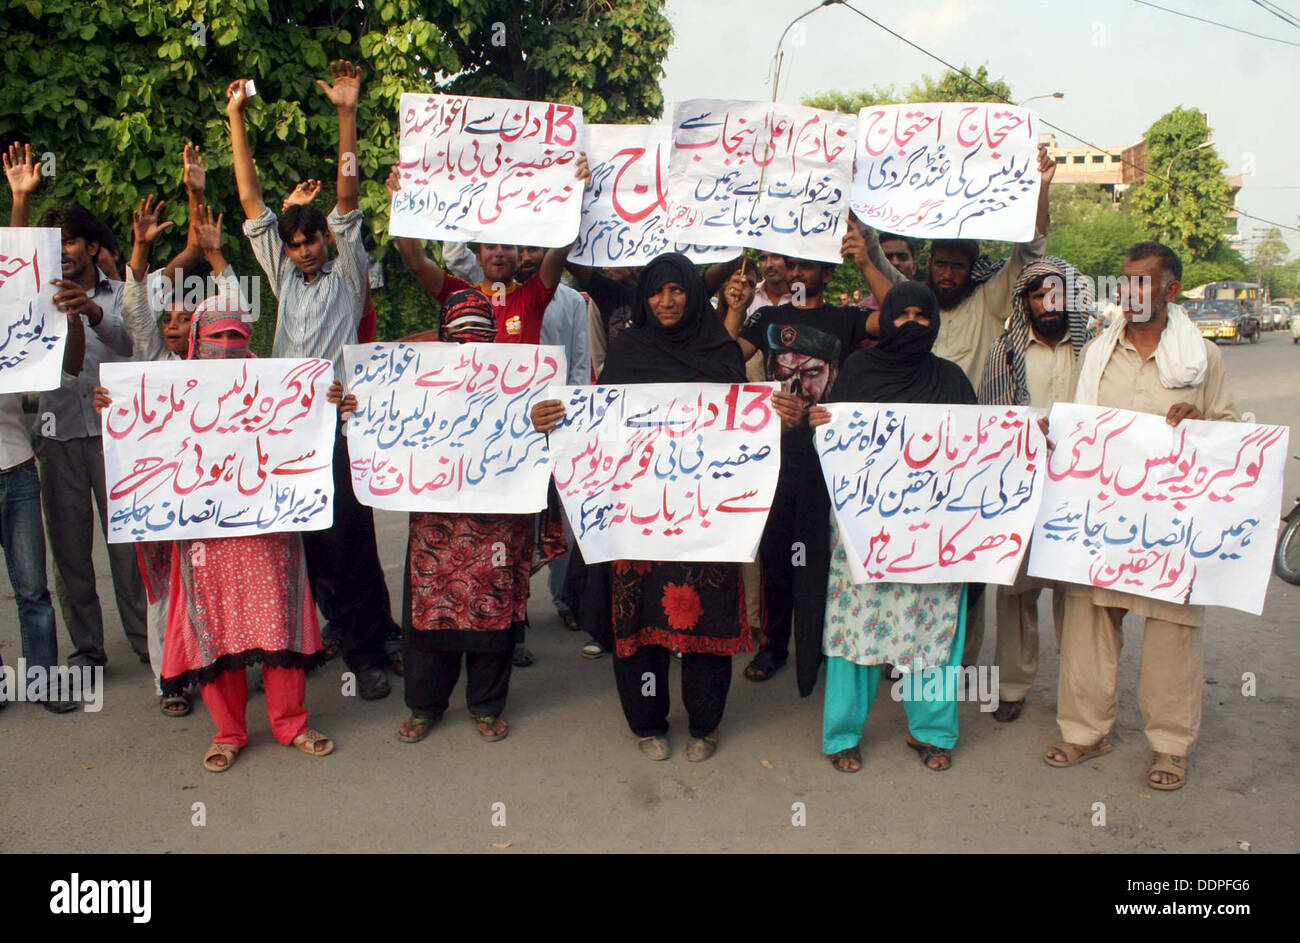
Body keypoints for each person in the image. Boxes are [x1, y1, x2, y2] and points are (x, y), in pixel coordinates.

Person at [532, 253, 784, 762]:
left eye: (677, 291)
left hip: (704, 521)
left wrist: (783, 415)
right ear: (644, 297)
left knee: (705, 626)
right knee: (640, 627)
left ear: (693, 294)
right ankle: (647, 723)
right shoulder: (627, 351)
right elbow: (598, 425)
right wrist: (553, 419)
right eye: (656, 292)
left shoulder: (720, 351)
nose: (666, 302)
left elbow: (743, 430)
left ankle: (704, 724)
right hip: (637, 520)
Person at [95, 292, 333, 772]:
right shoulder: (173, 389)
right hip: (205, 535)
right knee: (214, 630)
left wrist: (327, 401)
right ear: (197, 341)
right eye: (217, 336)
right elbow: (146, 433)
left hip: (267, 531)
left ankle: (291, 723)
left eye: (236, 336)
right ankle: (229, 731)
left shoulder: (276, 388)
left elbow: (306, 428)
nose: (226, 345)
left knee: (279, 623)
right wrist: (116, 408)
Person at [845, 143, 1058, 664]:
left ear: (971, 269)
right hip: (906, 458)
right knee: (909, 558)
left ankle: (953, 665)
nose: (945, 274)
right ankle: (906, 658)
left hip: (970, 455)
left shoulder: (990, 300)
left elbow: (1028, 253)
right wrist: (858, 195)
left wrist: (1042, 187)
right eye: (938, 263)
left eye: (956, 266)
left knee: (968, 565)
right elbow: (875, 262)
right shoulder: (915, 302)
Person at [227, 63, 398, 701]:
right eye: (293, 243)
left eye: (309, 239)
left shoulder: (347, 272)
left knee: (347, 537)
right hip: (286, 431)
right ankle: (355, 633)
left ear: (327, 236)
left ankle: (367, 652)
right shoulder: (283, 276)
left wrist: (346, 113)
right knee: (305, 541)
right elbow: (250, 201)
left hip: (339, 426)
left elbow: (348, 193)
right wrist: (237, 118)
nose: (301, 249)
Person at [1043, 242, 1238, 791]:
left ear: (1171, 290)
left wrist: (1201, 421)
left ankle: (1170, 748)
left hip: (1171, 526)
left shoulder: (1202, 357)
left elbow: (1230, 433)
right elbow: (1078, 424)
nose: (1128, 293)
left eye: (1142, 283)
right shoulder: (1099, 351)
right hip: (1103, 519)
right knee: (1087, 624)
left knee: (1173, 634)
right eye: (1124, 282)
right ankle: (1084, 732)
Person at [333, 289, 539, 745]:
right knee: (431, 608)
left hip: (497, 521)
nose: (469, 348)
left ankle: (486, 705)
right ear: (443, 336)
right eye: (459, 337)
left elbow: (543, 434)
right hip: (435, 524)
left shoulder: (522, 380)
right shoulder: (413, 380)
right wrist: (355, 408)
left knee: (492, 610)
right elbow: (379, 416)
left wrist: (546, 417)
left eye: (481, 337)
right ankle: (425, 705)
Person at [809, 282, 978, 774]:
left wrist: (1024, 440)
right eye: (900, 314)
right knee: (853, 632)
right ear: (884, 318)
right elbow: (834, 449)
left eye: (921, 316)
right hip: (865, 533)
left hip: (932, 535)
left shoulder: (951, 378)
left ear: (935, 322)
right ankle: (842, 734)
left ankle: (932, 732)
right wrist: (822, 424)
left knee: (933, 631)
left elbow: (977, 453)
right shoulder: (859, 371)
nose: (911, 324)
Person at [5, 143, 150, 670]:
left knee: (128, 553)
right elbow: (12, 259)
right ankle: (88, 650)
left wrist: (91, 312)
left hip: (118, 440)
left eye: (70, 241)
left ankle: (147, 644)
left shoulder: (123, 293)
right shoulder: (32, 296)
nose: (62, 250)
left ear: (91, 246)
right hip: (57, 437)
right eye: (55, 243)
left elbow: (135, 347)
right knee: (70, 559)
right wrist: (20, 197)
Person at [722, 255, 869, 695]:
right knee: (775, 554)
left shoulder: (848, 319)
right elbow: (723, 359)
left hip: (830, 456)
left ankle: (820, 644)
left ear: (828, 274)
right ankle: (773, 646)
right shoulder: (766, 316)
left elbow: (899, 317)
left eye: (811, 266)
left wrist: (867, 257)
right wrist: (734, 308)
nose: (800, 272)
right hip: (773, 456)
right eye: (795, 265)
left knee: (820, 553)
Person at [442, 241, 591, 640]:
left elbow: (579, 360)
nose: (522, 257)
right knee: (509, 529)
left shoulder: (571, 300)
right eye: (514, 248)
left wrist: (571, 416)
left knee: (555, 521)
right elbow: (454, 254)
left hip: (551, 425)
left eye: (530, 249)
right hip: (495, 433)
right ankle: (512, 622)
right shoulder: (482, 293)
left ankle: (565, 601)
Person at [978, 256, 1096, 722]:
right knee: (1016, 595)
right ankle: (1012, 687)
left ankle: (1078, 691)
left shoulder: (1095, 349)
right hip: (1021, 490)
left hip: (1083, 491)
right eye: (1037, 293)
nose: (1048, 302)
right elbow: (991, 422)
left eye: (1057, 292)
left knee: (1077, 597)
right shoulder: (1005, 351)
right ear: (1024, 299)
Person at [0, 156, 88, 711]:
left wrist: (21, 200)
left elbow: (18, 274)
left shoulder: (9, 326)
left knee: (34, 589)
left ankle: (42, 681)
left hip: (16, 471)